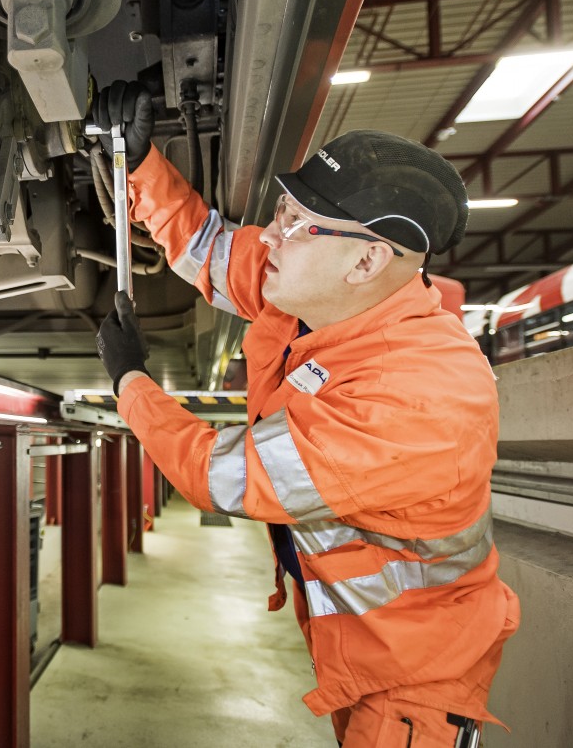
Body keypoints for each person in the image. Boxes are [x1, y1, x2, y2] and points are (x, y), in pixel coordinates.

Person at [92, 82, 520, 748]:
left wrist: (131, 382)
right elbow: (209, 247)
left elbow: (227, 475)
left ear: (367, 259)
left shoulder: (417, 399)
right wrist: (141, 161)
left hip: (415, 684)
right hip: (365, 648)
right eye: (282, 212)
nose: (273, 236)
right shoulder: (312, 293)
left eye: (294, 224)